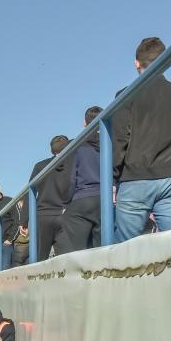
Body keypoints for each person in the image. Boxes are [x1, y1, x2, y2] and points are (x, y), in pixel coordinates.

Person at [112, 37, 171, 241]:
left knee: (126, 252)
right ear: (166, 60)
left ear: (137, 63)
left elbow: (119, 142)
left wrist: (115, 176)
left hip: (134, 178)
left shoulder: (125, 97)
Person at [56, 106, 104, 253]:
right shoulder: (110, 141)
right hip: (106, 198)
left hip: (82, 198)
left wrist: (66, 202)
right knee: (103, 247)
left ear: (85, 123)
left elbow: (71, 179)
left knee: (75, 250)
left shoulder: (77, 145)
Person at [29, 135, 72, 261]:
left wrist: (24, 221)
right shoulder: (74, 163)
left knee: (39, 258)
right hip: (66, 213)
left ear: (51, 150)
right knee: (66, 258)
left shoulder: (40, 166)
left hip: (43, 214)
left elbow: (30, 191)